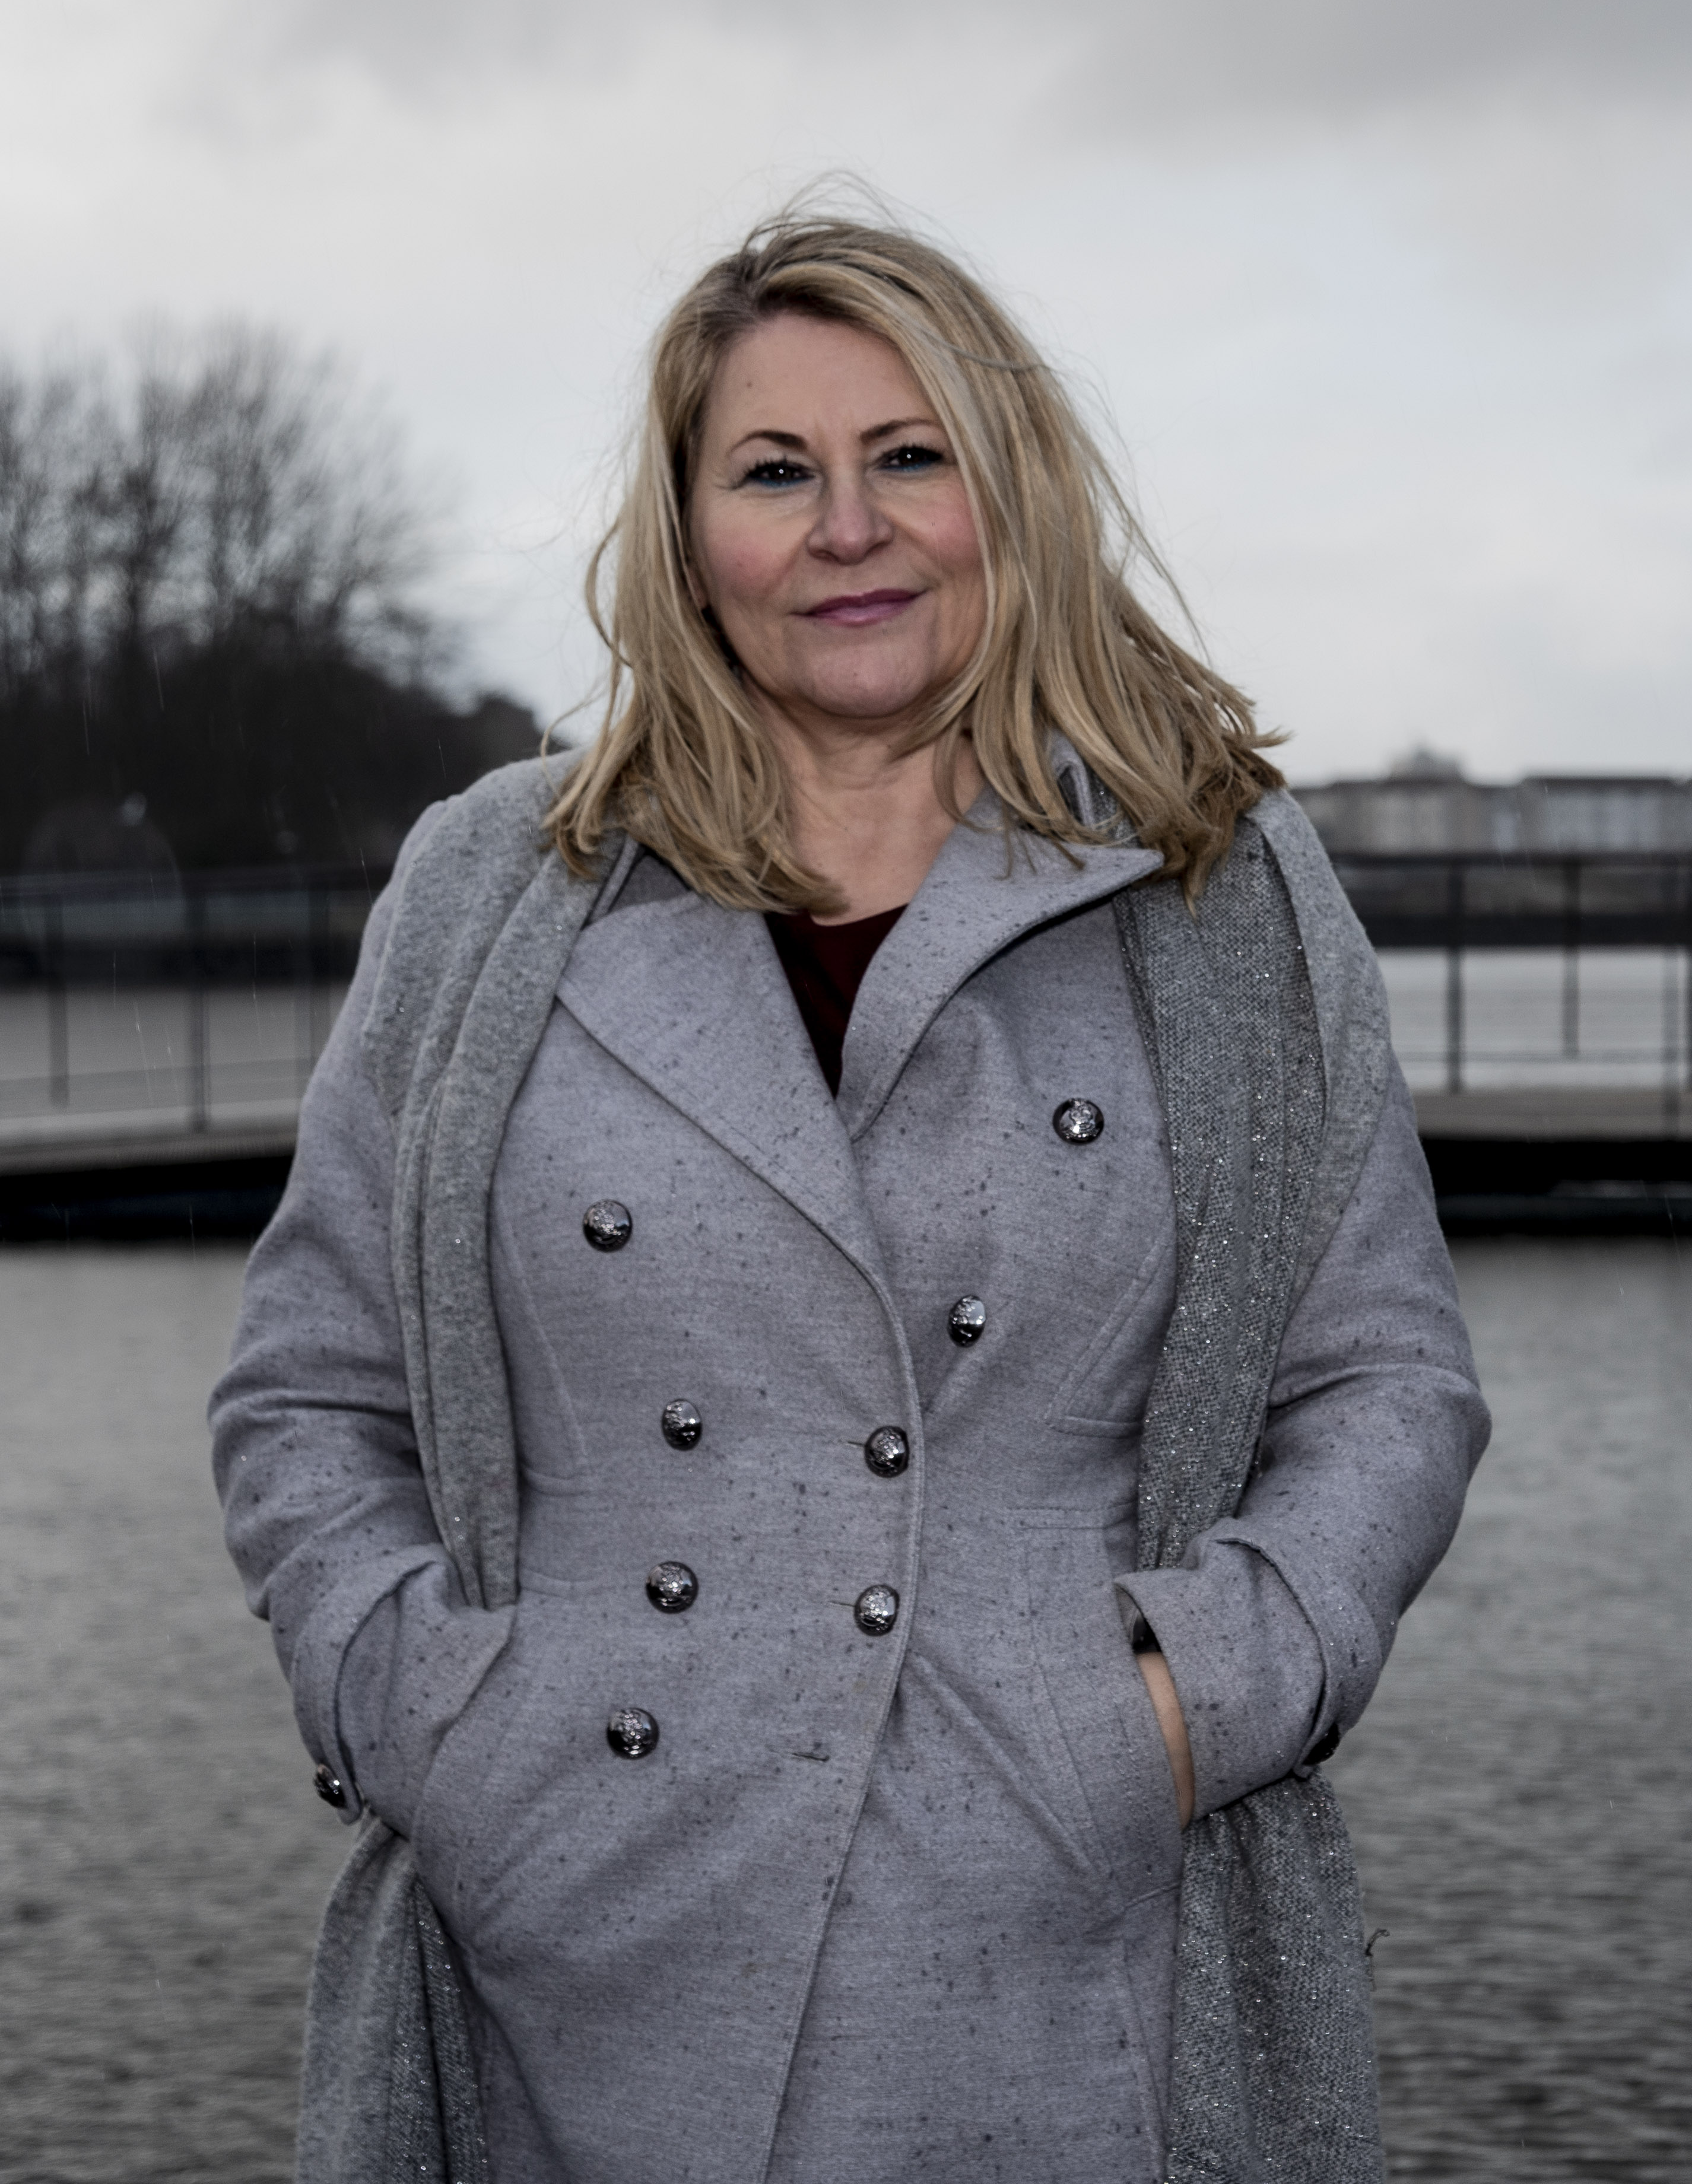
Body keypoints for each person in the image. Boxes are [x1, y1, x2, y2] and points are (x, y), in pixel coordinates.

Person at [207, 208, 1490, 2184]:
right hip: (567, 1936)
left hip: (1070, 1946)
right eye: (775, 472)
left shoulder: (1218, 890)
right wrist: (431, 1728)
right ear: (688, 534)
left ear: (1012, 492)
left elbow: (1386, 1380)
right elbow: (310, 1391)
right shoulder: (493, 891)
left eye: (910, 456)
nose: (849, 527)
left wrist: (1189, 1704)